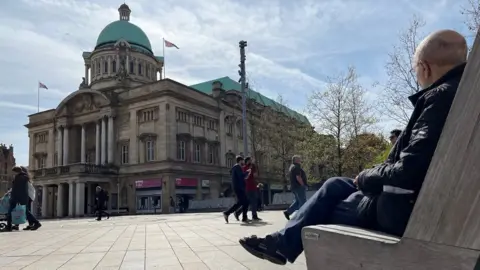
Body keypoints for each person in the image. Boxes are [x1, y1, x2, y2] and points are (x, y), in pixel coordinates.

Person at [238, 29, 468, 265]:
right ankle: (280, 243)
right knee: (335, 184)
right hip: (427, 204)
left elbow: (408, 170)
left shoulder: (439, 98)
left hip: (402, 210)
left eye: (415, 69)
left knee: (323, 206)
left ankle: (282, 243)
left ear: (425, 67)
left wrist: (366, 177)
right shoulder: (464, 96)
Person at [4, 166, 41, 232]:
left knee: (9, 212)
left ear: (16, 172)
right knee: (26, 212)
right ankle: (36, 223)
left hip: (17, 198)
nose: (12, 174)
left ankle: (9, 227)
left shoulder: (19, 178)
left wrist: (13, 198)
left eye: (13, 172)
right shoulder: (24, 177)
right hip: (22, 198)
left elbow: (17, 189)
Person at [223, 156, 251, 223]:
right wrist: (247, 172)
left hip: (238, 187)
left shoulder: (236, 168)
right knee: (245, 202)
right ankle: (229, 213)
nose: (243, 162)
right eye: (243, 161)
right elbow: (241, 176)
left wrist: (246, 175)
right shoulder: (237, 167)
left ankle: (229, 213)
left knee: (242, 202)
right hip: (239, 188)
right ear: (240, 161)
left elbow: (241, 177)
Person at [283, 155, 307, 220]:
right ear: (296, 160)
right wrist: (302, 185)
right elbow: (298, 177)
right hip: (299, 186)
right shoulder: (296, 167)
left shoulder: (291, 167)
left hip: (294, 186)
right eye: (299, 159)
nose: (300, 160)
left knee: (297, 201)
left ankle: (288, 212)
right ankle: (302, 216)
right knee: (302, 201)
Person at [23, 166, 41, 230]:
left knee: (26, 211)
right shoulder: (27, 178)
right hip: (30, 196)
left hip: (28, 196)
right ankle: (31, 224)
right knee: (27, 211)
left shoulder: (24, 178)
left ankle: (36, 222)